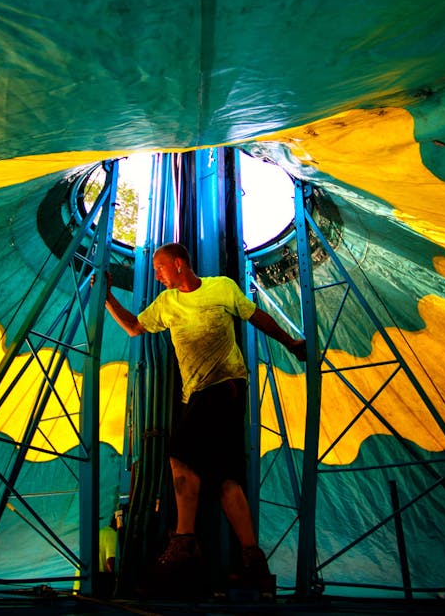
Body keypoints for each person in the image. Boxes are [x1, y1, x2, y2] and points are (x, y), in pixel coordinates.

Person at [100, 242, 307, 591]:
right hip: (196, 395)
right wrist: (107, 298)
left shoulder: (221, 287)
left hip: (224, 385)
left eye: (160, 267)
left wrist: (290, 342)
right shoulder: (167, 303)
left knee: (180, 453)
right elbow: (135, 327)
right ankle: (252, 558)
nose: (156, 274)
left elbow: (255, 316)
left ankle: (184, 542)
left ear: (180, 264)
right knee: (224, 477)